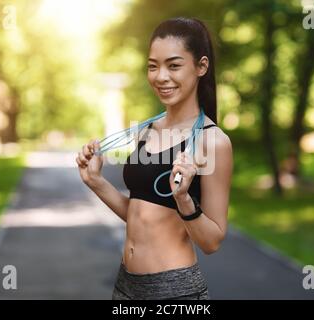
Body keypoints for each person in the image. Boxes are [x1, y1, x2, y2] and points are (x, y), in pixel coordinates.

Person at [75, 17, 233, 300]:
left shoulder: (212, 141)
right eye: (153, 66)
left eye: (173, 65)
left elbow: (212, 242)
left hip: (174, 291)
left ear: (201, 66)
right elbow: (142, 217)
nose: (160, 76)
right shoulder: (145, 131)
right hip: (126, 285)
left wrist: (184, 199)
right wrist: (96, 182)